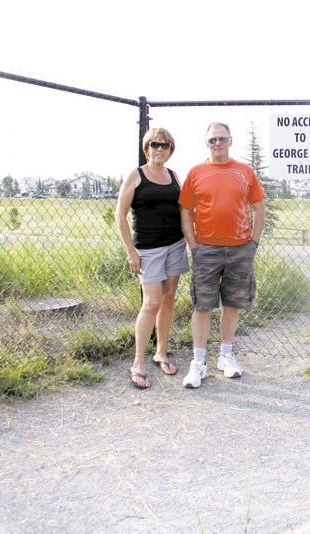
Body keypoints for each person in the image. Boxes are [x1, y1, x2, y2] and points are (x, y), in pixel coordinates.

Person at [179, 122, 266, 388]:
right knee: (203, 306)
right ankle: (199, 363)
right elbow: (186, 212)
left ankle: (226, 356)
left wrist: (253, 243)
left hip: (240, 249)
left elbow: (258, 209)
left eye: (222, 139)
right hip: (206, 249)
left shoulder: (244, 172)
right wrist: (194, 245)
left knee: (232, 304)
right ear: (206, 143)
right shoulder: (195, 173)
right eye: (212, 140)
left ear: (231, 140)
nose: (217, 144)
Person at [116, 127, 189, 389]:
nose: (160, 149)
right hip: (148, 249)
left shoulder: (173, 176)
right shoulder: (136, 176)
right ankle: (138, 362)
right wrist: (131, 251)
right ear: (147, 148)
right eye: (155, 144)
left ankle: (161, 352)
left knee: (169, 299)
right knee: (151, 303)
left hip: (175, 246)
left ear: (171, 150)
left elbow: (183, 210)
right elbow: (120, 215)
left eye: (166, 145)